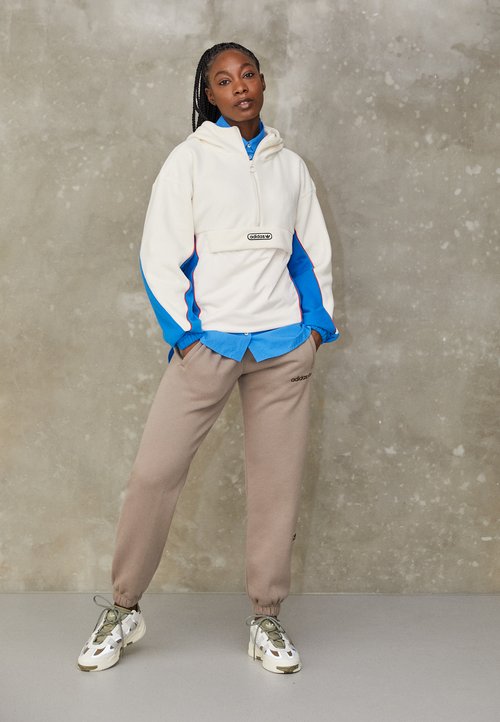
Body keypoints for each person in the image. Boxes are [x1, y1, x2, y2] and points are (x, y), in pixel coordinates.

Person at [77, 41, 339, 675]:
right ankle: (123, 608)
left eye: (247, 74)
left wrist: (313, 330)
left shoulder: (290, 167)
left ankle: (266, 617)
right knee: (154, 475)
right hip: (209, 344)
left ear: (263, 82)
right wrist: (186, 336)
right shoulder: (188, 161)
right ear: (210, 94)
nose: (239, 86)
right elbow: (158, 254)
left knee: (276, 487)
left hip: (282, 347)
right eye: (224, 80)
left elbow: (311, 254)